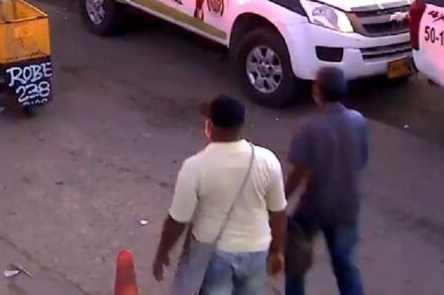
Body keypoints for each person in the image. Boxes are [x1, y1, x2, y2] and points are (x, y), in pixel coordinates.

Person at [153, 95, 287, 295]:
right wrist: (277, 250)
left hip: (216, 255)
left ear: (210, 125)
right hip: (257, 250)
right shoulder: (268, 160)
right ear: (241, 125)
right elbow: (278, 212)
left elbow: (178, 220)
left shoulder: (196, 167)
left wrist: (162, 252)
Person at [284, 69, 368, 295]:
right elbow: (360, 160)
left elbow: (298, 172)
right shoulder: (358, 121)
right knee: (345, 266)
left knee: (296, 266)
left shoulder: (309, 127)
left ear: (316, 91)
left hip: (313, 207)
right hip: (347, 206)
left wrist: (279, 201)